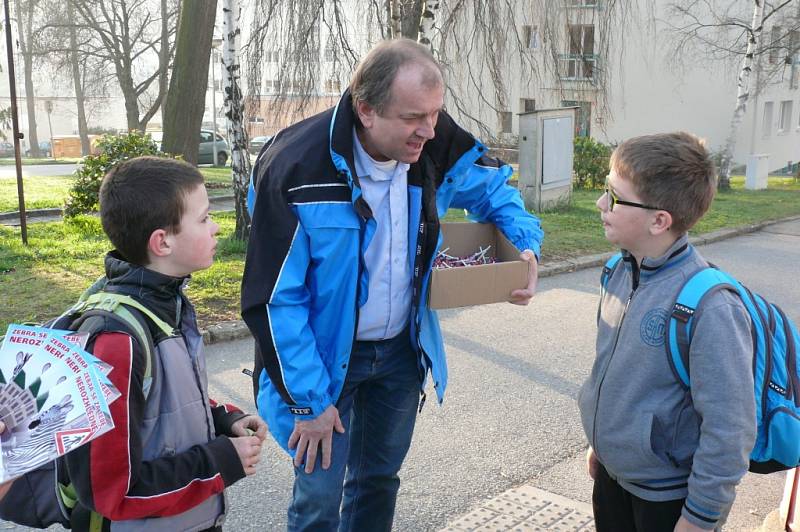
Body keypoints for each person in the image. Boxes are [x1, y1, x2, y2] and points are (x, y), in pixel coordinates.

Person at [241, 38, 544, 531]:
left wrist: (526, 246)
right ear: (365, 109)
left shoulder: (433, 143)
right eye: (412, 118)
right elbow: (275, 300)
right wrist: (309, 403)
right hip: (319, 365)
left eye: (436, 113)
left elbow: (494, 192)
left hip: (401, 354)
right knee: (319, 497)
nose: (428, 130)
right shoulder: (296, 168)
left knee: (378, 482)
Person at [3, 157, 267, 531]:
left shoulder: (164, 305)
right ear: (162, 242)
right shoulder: (117, 340)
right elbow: (113, 491)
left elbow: (159, 399)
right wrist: (220, 460)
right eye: (204, 218)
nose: (217, 227)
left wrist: (222, 417)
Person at [577, 132, 756, 532]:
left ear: (660, 221)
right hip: (613, 479)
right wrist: (603, 446)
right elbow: (619, 374)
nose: (600, 203)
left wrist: (701, 516)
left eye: (615, 196)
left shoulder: (711, 306)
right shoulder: (617, 272)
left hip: (669, 502)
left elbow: (730, 427)